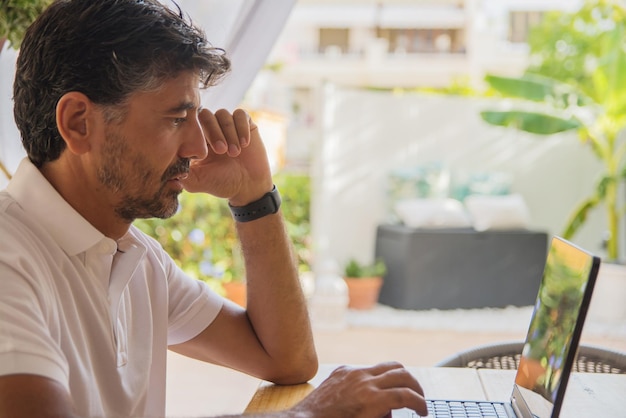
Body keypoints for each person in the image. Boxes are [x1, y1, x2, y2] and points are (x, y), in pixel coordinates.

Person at [0, 1, 427, 417]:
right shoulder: (10, 259)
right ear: (78, 122)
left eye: (195, 117)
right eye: (175, 119)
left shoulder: (136, 259)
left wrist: (254, 195)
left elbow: (286, 359)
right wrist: (308, 415)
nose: (199, 147)